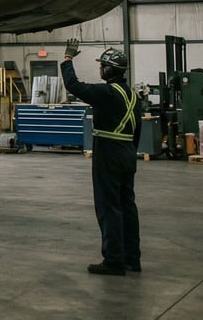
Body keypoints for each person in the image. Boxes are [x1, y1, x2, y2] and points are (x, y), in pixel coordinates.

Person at [61, 39, 141, 276]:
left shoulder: (105, 93)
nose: (99, 70)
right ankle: (132, 259)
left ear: (107, 70)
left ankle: (114, 260)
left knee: (109, 207)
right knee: (127, 206)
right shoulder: (133, 95)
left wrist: (67, 59)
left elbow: (73, 85)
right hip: (128, 152)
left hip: (108, 152)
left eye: (101, 66)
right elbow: (137, 132)